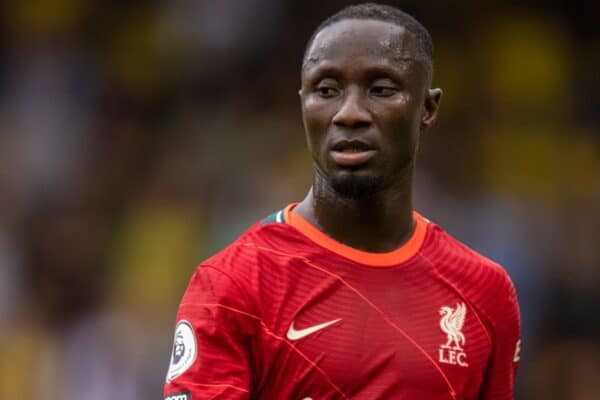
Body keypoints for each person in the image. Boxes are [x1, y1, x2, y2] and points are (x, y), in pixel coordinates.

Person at [163, 3, 521, 399]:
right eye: (326, 90)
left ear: (428, 107)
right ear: (303, 104)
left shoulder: (485, 292)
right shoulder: (234, 285)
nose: (349, 114)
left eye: (381, 89)